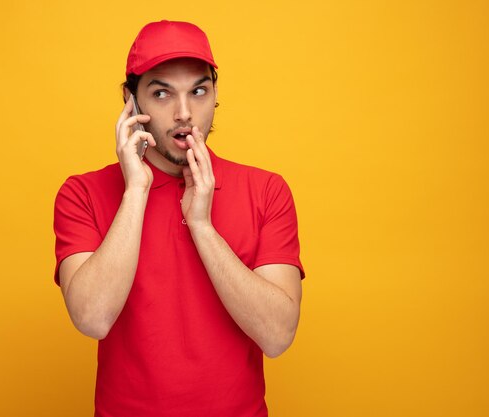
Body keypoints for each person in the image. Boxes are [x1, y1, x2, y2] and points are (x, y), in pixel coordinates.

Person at [53, 20, 305, 417]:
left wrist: (202, 226)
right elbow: (93, 318)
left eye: (198, 91)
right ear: (131, 101)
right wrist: (135, 190)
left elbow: (277, 336)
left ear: (215, 95)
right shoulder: (81, 194)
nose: (184, 113)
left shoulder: (267, 191)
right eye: (161, 93)